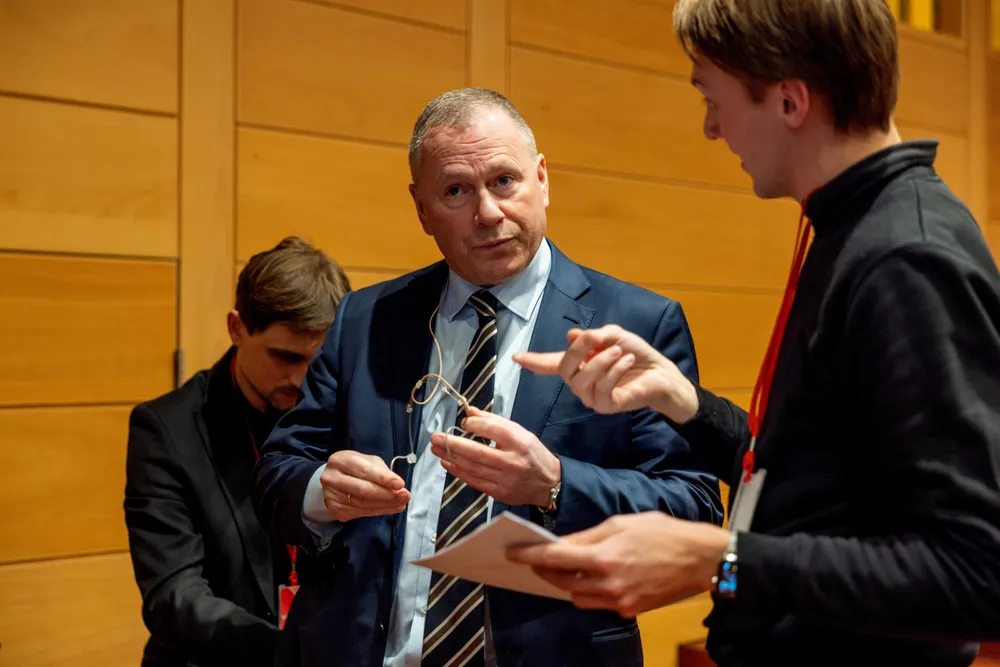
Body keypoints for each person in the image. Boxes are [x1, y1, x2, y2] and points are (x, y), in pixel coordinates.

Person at [509, 1, 1000, 665]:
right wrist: (685, 404)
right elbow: (820, 488)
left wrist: (720, 557)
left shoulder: (905, 257)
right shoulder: (850, 225)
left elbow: (974, 572)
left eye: (714, 100)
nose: (711, 128)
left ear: (791, 102)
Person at [251, 88, 724, 667]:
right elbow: (276, 474)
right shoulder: (364, 319)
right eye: (456, 191)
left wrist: (556, 484)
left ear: (541, 179)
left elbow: (694, 507)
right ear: (421, 208)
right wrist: (323, 489)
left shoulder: (636, 323)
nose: (488, 213)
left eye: (504, 181)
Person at [124, 236, 351, 667]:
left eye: (318, 360)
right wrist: (288, 652)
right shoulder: (166, 429)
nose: (303, 380)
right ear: (236, 328)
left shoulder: (345, 412)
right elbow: (173, 595)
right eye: (285, 357)